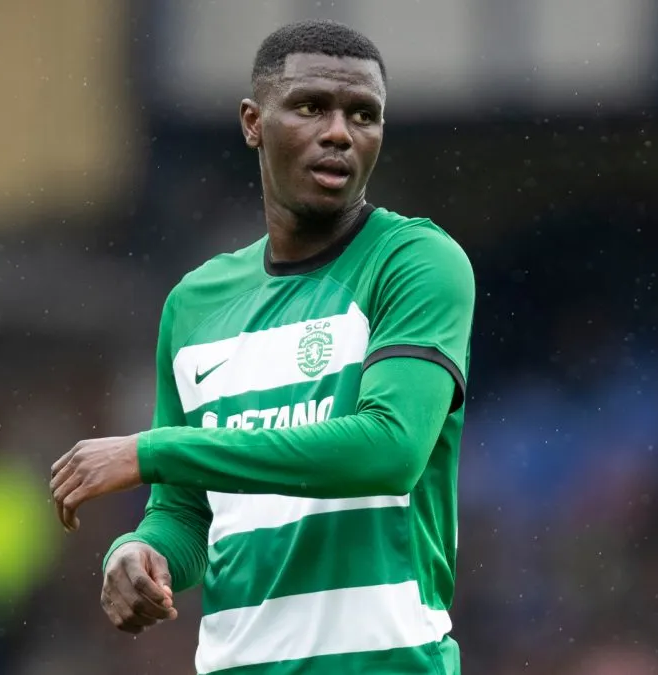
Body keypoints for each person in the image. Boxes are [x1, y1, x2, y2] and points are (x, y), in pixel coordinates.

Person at [50, 19, 475, 674]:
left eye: (364, 114)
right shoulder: (195, 305)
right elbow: (186, 512)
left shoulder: (415, 262)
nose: (339, 131)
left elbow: (388, 449)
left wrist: (151, 449)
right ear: (253, 122)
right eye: (311, 107)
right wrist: (138, 553)